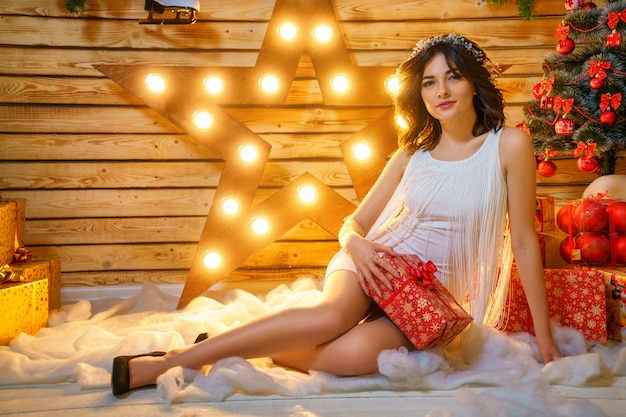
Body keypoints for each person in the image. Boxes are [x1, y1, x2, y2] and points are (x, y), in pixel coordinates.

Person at [111, 33, 562, 397]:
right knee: (329, 319)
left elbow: (522, 240)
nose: (441, 91)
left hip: (429, 298)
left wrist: (544, 339)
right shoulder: (412, 155)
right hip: (375, 262)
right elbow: (355, 225)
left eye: (453, 78)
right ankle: (167, 364)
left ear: (473, 83)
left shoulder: (509, 145)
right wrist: (359, 247)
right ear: (418, 92)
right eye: (428, 81)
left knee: (355, 358)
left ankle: (235, 345)